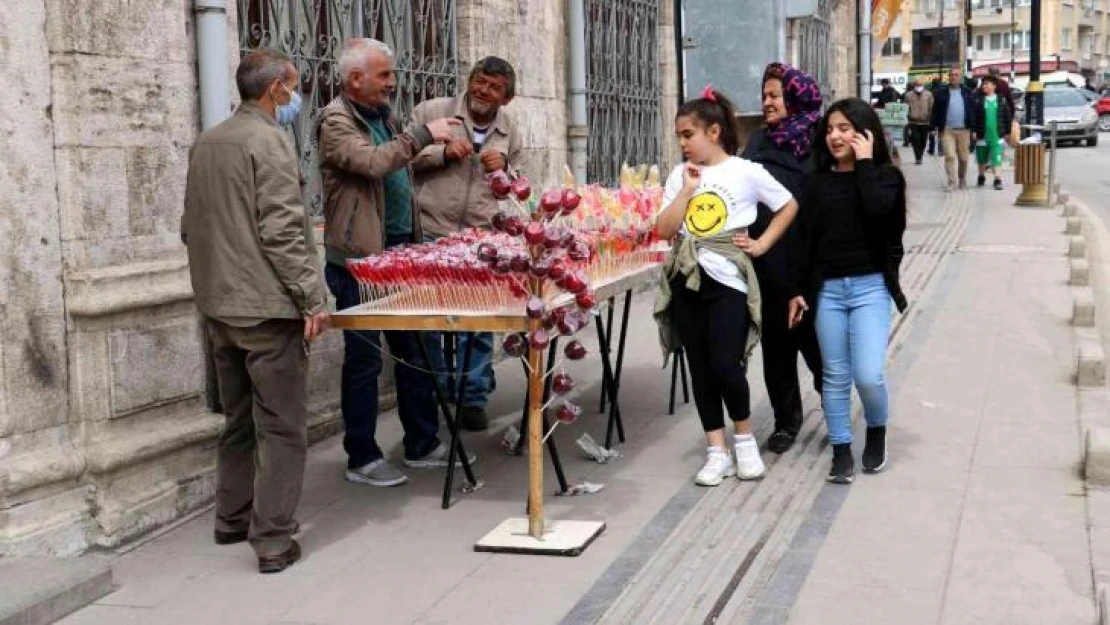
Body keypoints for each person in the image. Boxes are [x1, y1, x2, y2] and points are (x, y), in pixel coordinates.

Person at [182, 48, 330, 574]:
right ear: (275, 91)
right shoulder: (268, 141)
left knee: (238, 419)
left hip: (219, 305)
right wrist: (312, 299)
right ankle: (271, 538)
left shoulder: (209, 140)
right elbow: (284, 232)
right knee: (283, 425)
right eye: (294, 87)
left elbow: (189, 227)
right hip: (265, 308)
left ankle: (231, 516)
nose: (297, 97)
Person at [317, 38, 468, 487]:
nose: (391, 82)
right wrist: (424, 134)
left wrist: (438, 150)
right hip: (360, 264)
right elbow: (373, 162)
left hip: (401, 255)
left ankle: (421, 443)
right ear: (354, 78)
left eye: (391, 72)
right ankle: (361, 457)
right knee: (363, 363)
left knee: (417, 351)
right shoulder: (336, 121)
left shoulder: (380, 115)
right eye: (383, 74)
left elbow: (403, 158)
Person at [654, 85, 799, 486]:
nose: (682, 143)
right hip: (686, 280)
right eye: (679, 136)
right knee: (700, 369)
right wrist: (686, 189)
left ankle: (745, 439)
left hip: (728, 283)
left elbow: (788, 204)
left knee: (726, 365)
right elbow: (664, 229)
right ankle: (716, 449)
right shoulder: (678, 176)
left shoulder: (745, 171)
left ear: (713, 132)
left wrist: (763, 243)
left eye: (688, 134)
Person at [793, 98, 908, 484]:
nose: (835, 136)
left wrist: (862, 164)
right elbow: (804, 241)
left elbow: (878, 211)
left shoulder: (887, 177)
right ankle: (841, 449)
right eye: (830, 129)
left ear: (864, 132)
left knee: (868, 374)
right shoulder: (816, 181)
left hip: (870, 288)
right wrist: (798, 289)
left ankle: (876, 428)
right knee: (835, 376)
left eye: (844, 128)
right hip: (829, 290)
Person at [410, 56, 523, 431]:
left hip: (482, 237)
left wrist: (503, 171)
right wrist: (442, 151)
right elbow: (403, 157)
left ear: (505, 99)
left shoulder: (510, 130)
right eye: (479, 81)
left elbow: (522, 186)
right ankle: (438, 393)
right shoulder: (434, 112)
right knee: (432, 318)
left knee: (478, 322)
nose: (482, 91)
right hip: (431, 230)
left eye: (493, 88)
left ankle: (472, 398)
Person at [740, 63, 823, 454]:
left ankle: (836, 412)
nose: (767, 102)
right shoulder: (758, 140)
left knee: (819, 346)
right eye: (766, 95)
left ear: (795, 98)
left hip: (811, 259)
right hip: (769, 259)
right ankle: (786, 421)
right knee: (777, 347)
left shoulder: (820, 141)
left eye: (775, 95)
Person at [931, 67, 975, 191]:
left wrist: (974, 129)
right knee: (950, 156)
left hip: (964, 130)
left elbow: (972, 111)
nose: (953, 77)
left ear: (960, 77)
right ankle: (952, 181)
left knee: (964, 158)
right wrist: (933, 127)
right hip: (947, 130)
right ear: (948, 77)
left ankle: (962, 178)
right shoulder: (941, 93)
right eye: (951, 75)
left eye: (956, 75)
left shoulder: (967, 92)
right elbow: (935, 111)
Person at [973, 75, 1012, 191]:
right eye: (983, 84)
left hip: (996, 135)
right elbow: (974, 117)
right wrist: (974, 130)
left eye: (986, 84)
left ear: (993, 86)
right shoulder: (979, 100)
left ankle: (997, 179)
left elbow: (1007, 116)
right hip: (982, 134)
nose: (984, 86)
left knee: (997, 158)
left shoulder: (1001, 100)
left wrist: (1007, 132)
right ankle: (981, 175)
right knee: (982, 159)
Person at [904, 78, 934, 165]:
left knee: (923, 141)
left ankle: (920, 154)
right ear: (914, 86)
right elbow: (905, 108)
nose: (918, 87)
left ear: (923, 86)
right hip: (913, 122)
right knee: (916, 140)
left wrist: (931, 119)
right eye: (917, 85)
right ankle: (918, 157)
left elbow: (931, 108)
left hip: (925, 122)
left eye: (920, 85)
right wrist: (908, 116)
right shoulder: (908, 95)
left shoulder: (929, 95)